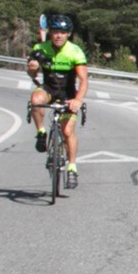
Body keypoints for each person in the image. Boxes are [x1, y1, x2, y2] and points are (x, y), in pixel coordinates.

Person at [27, 14, 90, 189]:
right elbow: (32, 72)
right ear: (50, 32)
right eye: (55, 32)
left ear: (68, 34)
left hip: (68, 93)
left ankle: (72, 168)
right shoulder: (40, 47)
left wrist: (77, 100)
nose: (58, 36)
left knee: (68, 131)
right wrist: (32, 70)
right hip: (49, 88)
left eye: (63, 32)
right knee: (35, 99)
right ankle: (41, 132)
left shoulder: (75, 51)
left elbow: (83, 80)